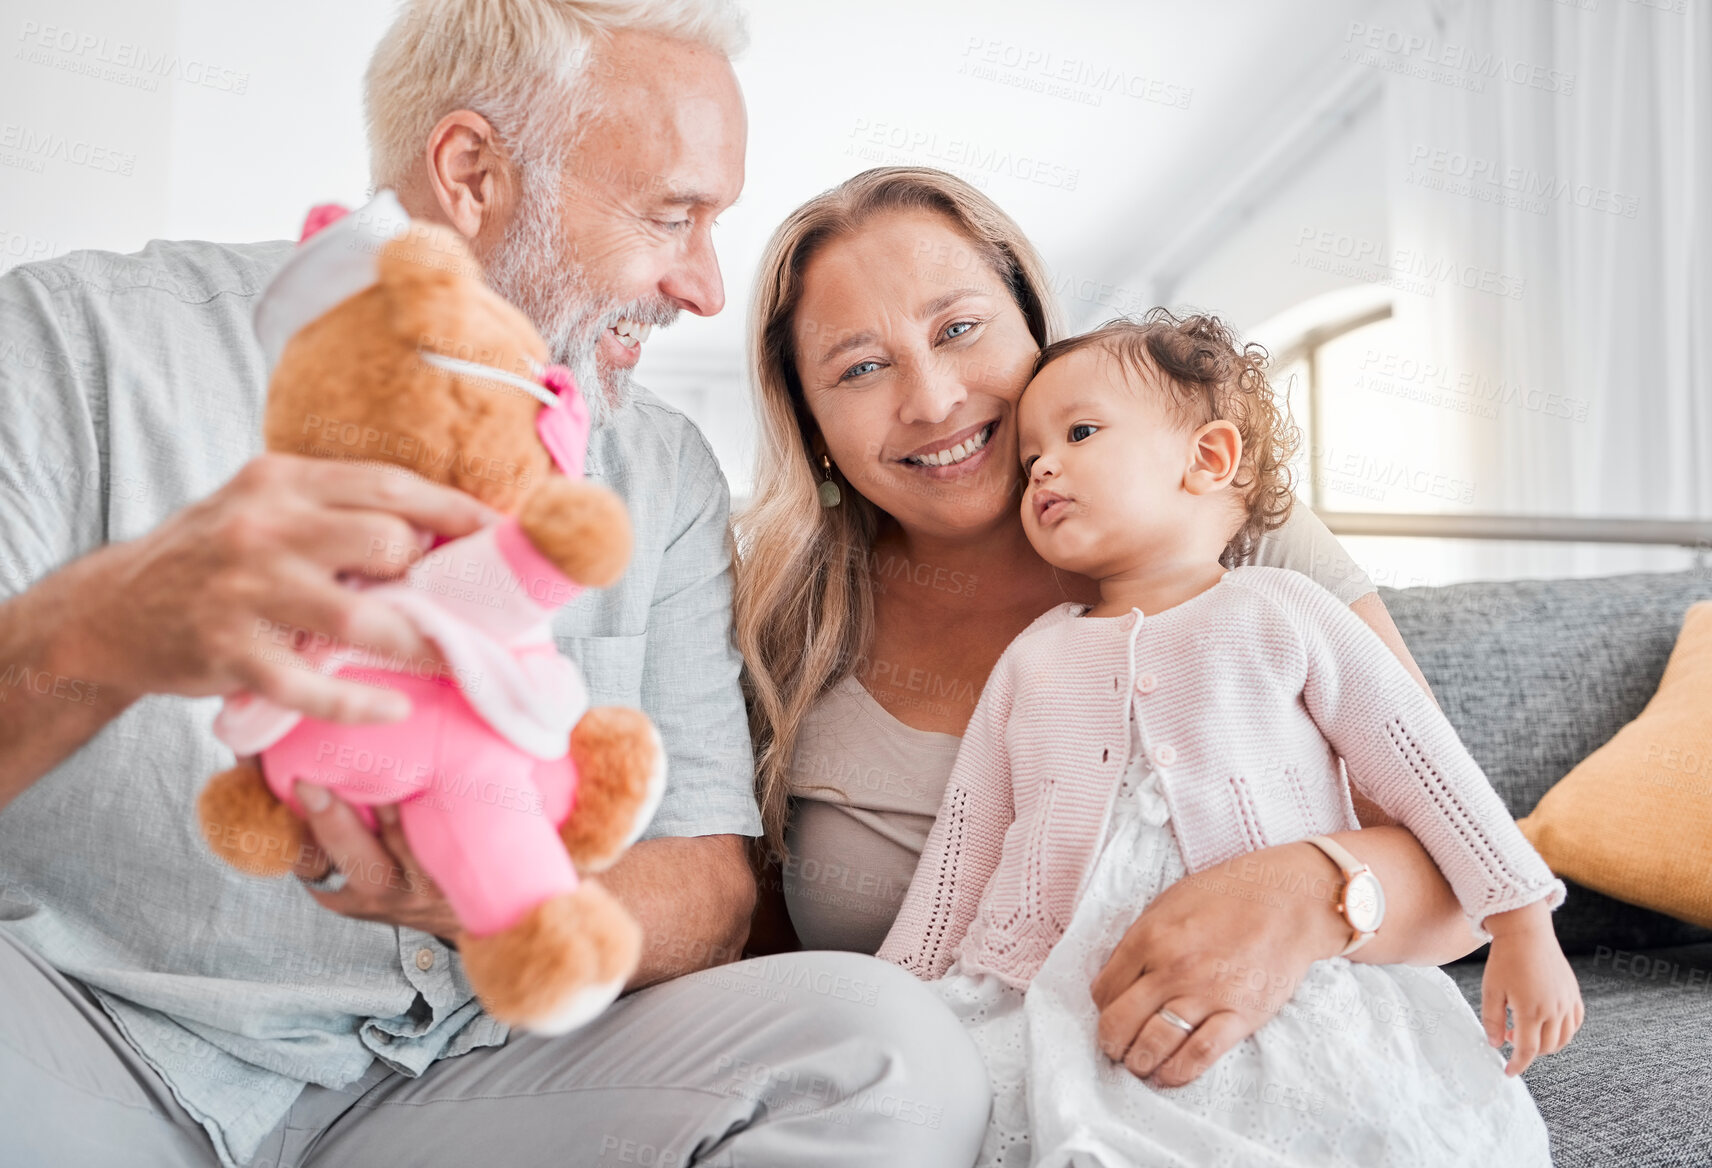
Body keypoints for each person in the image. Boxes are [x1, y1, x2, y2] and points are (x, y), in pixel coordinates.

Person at [0, 5, 984, 1167]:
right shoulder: (73, 342)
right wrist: (104, 630)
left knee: (883, 1048)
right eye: (673, 215)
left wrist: (512, 892)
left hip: (466, 1080)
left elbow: (711, 880)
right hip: (97, 1044)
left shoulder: (656, 466)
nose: (706, 286)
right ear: (471, 173)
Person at [736, 167, 1501, 1100]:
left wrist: (1307, 895)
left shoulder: (1232, 526)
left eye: (960, 328)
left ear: (1034, 330)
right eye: (860, 367)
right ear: (810, 424)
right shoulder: (776, 621)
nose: (933, 400)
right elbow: (752, 965)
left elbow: (1468, 877)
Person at [877, 312, 1585, 1167]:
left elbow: (1429, 772)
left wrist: (1522, 925)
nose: (1045, 467)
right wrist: (895, 997)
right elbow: (966, 846)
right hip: (1058, 997)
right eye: (1031, 461)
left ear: (1208, 459)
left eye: (1082, 432)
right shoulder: (1032, 659)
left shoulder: (1283, 611)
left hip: (1287, 987)